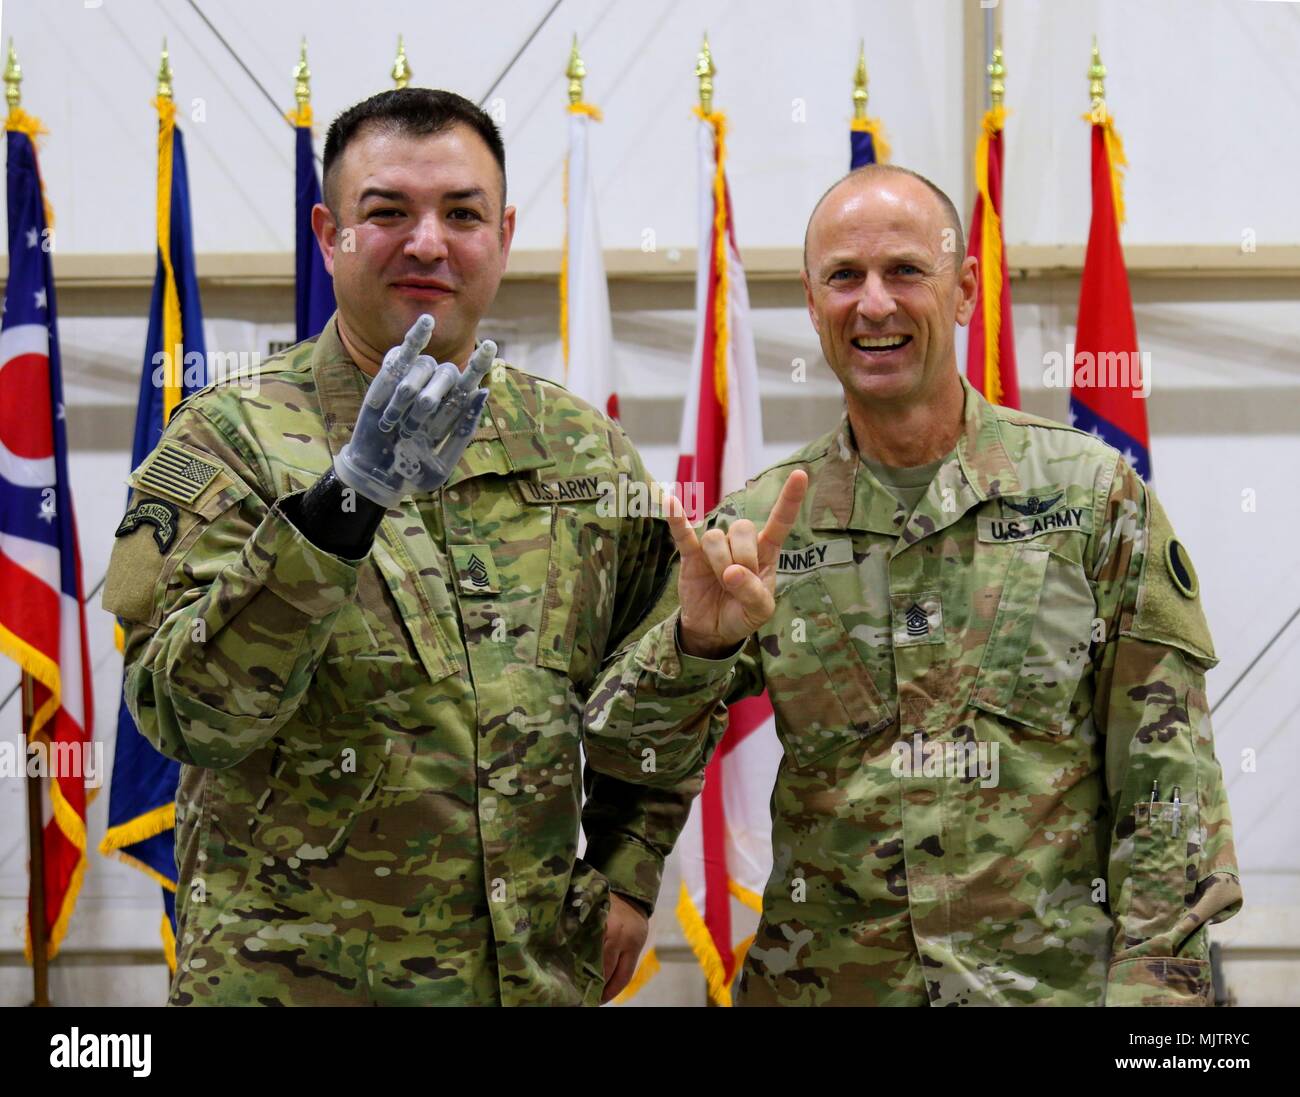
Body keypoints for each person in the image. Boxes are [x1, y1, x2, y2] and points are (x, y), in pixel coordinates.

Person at [582, 164, 1242, 1006]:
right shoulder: (758, 529)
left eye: (905, 272)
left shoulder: (1089, 499)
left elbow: (1166, 776)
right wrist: (696, 644)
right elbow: (631, 751)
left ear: (965, 290)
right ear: (812, 302)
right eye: (844, 277)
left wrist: (1159, 1003)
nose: (875, 304)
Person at [103, 88, 693, 1006]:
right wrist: (347, 503)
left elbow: (655, 680)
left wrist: (628, 862)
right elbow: (187, 715)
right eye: (388, 212)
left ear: (503, 234)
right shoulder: (225, 440)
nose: (428, 243)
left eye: (463, 214)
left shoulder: (581, 447)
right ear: (329, 232)